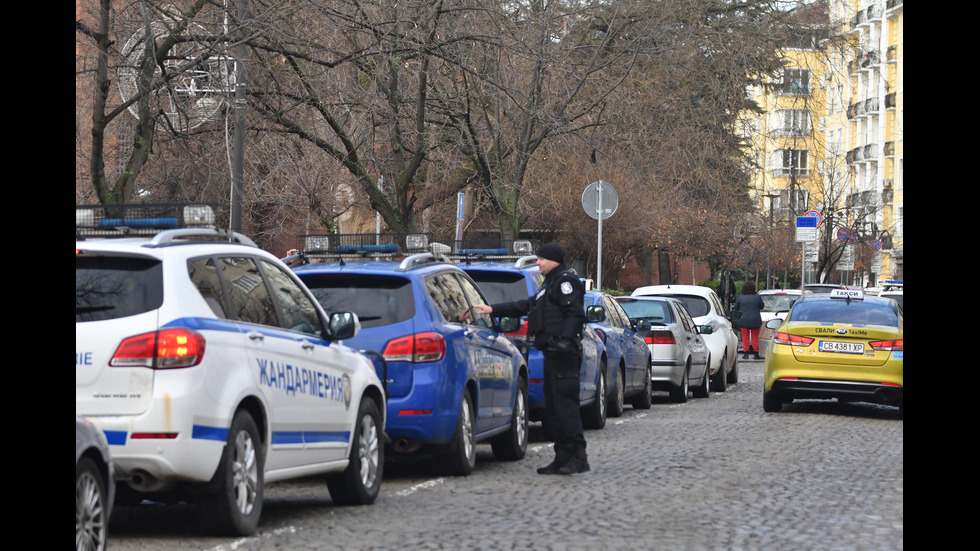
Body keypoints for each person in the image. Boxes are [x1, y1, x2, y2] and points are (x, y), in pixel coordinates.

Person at [473, 243, 589, 475]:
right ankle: (562, 456)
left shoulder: (565, 282)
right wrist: (492, 309)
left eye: (541, 259)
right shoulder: (549, 284)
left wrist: (565, 340)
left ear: (553, 260)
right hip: (552, 352)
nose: (538, 263)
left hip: (563, 354)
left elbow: (575, 313)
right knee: (554, 409)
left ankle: (578, 457)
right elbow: (526, 306)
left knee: (566, 408)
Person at [733, 281, 765, 360]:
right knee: (755, 337)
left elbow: (736, 307)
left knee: (745, 337)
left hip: (743, 319)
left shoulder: (740, 297)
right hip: (755, 320)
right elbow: (762, 306)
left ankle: (746, 353)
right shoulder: (757, 297)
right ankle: (756, 353)